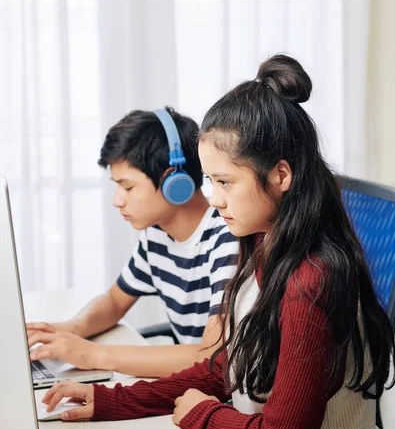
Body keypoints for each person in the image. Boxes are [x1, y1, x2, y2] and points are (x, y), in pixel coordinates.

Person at [43, 56, 395, 429]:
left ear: (281, 176)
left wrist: (204, 415)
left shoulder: (314, 279)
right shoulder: (262, 245)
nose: (211, 197)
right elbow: (225, 367)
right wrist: (112, 401)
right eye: (209, 180)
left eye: (225, 181)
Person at [28, 107, 238, 377]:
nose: (117, 200)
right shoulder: (157, 236)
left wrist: (91, 354)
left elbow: (211, 356)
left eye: (127, 187)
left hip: (222, 394)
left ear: (175, 182)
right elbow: (115, 300)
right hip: (191, 384)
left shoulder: (226, 238)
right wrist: (72, 329)